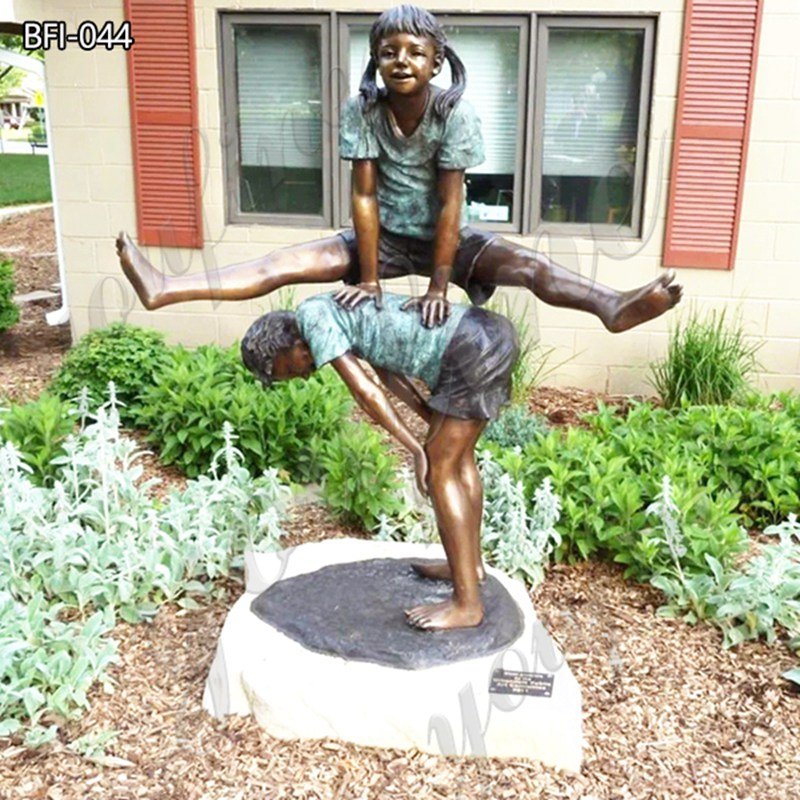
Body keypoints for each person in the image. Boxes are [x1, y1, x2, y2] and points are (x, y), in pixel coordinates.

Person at [116, 4, 681, 336]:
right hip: (381, 239)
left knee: (531, 267)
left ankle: (610, 306)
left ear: (436, 61)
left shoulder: (454, 113)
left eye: (414, 52)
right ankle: (166, 288)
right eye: (389, 52)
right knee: (283, 263)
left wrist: (439, 285)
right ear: (376, 60)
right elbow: (363, 197)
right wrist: (368, 277)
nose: (401, 61)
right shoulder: (362, 110)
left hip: (447, 239)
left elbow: (452, 203)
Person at [240, 290, 520, 632]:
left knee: (439, 469)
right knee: (458, 461)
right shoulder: (336, 316)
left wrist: (417, 449)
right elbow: (388, 372)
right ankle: (469, 567)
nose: (302, 376)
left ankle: (467, 606)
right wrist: (426, 415)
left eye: (288, 372)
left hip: (469, 346)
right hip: (485, 335)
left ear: (285, 348)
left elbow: (367, 393)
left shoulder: (314, 320)